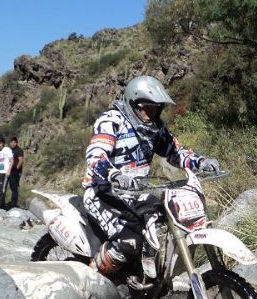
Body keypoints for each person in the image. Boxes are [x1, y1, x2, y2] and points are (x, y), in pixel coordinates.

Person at [82, 75, 220, 278]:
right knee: (128, 242)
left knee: (164, 227)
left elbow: (175, 152)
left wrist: (200, 162)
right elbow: (95, 157)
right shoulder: (111, 121)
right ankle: (90, 279)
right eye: (146, 108)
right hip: (103, 193)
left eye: (155, 108)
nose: (150, 113)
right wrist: (115, 174)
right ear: (132, 104)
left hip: (138, 193)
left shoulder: (155, 128)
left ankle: (148, 278)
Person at [7, 137, 24, 208]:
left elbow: (21, 160)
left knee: (14, 187)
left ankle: (14, 202)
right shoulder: (10, 150)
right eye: (11, 142)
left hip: (16, 171)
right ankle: (13, 201)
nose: (13, 143)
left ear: (16, 143)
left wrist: (17, 168)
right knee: (11, 186)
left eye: (14, 142)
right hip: (10, 170)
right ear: (10, 143)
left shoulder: (19, 150)